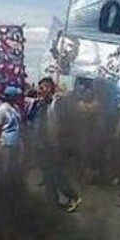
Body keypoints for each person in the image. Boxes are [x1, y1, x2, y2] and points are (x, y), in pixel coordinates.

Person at [32, 76, 82, 212]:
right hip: (45, 146)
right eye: (39, 88)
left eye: (43, 88)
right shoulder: (41, 105)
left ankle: (73, 196)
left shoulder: (59, 103)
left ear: (50, 88)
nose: (40, 90)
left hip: (58, 146)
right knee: (47, 176)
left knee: (57, 174)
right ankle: (51, 203)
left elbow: (68, 123)